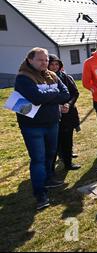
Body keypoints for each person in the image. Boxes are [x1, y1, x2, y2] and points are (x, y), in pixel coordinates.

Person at [14, 47, 70, 210]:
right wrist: (53, 93)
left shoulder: (52, 75)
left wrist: (47, 95)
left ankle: (49, 179)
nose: (44, 62)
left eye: (46, 60)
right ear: (30, 60)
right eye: (40, 59)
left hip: (52, 122)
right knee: (38, 159)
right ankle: (40, 194)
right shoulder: (23, 77)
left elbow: (65, 94)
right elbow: (36, 98)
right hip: (32, 126)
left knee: (50, 154)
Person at [48, 54, 81, 171]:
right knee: (54, 143)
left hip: (67, 114)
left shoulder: (65, 77)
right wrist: (57, 106)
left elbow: (75, 93)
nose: (54, 66)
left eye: (56, 64)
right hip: (52, 115)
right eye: (51, 64)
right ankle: (51, 169)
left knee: (67, 139)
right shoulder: (43, 78)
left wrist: (68, 104)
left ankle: (68, 163)